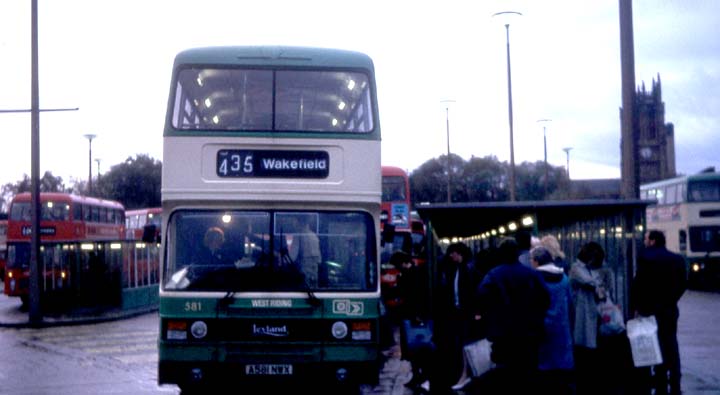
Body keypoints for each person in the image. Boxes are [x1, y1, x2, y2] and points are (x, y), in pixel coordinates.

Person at [472, 238, 551, 394]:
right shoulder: (532, 275)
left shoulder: (494, 275)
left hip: (503, 333)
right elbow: (545, 299)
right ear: (517, 254)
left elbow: (481, 297)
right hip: (529, 332)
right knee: (527, 372)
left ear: (500, 254)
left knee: (504, 372)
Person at [632, 230, 687, 395]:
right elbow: (683, 283)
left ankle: (660, 378)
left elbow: (638, 285)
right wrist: (672, 299)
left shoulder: (645, 258)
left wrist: (639, 306)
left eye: (647, 239)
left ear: (653, 241)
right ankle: (675, 380)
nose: (645, 241)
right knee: (671, 343)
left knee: (654, 345)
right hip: (669, 309)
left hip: (649, 310)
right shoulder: (677, 259)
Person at [430, 242, 482, 394]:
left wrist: (476, 311)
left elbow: (473, 292)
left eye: (453, 253)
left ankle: (465, 373)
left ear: (459, 254)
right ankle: (462, 373)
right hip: (456, 312)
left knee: (464, 343)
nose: (450, 256)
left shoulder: (468, 270)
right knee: (459, 343)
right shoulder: (457, 269)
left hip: (465, 313)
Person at [568, 241, 614, 395]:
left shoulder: (593, 269)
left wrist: (602, 278)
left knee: (596, 346)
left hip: (598, 313)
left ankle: (594, 381)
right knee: (586, 348)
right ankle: (586, 383)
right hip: (584, 314)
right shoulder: (576, 268)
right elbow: (592, 283)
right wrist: (601, 278)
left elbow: (608, 284)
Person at [530, 246, 575, 394]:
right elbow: (570, 303)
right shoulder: (564, 279)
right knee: (561, 369)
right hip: (562, 327)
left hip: (543, 328)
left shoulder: (535, 279)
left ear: (536, 262)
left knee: (545, 369)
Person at [391, 251, 432, 392]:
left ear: (402, 263)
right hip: (410, 315)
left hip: (413, 315)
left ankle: (421, 375)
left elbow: (414, 295)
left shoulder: (413, 275)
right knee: (414, 347)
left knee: (417, 347)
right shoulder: (414, 273)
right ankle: (418, 375)